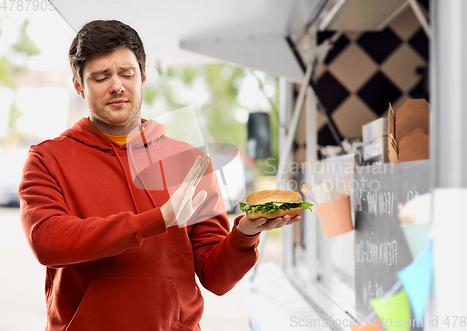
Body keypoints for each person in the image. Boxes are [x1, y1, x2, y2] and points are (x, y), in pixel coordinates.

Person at [18, 20, 301, 331]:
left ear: (143, 78)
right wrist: (160, 219)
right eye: (101, 77)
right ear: (78, 86)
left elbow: (216, 279)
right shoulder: (47, 158)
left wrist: (245, 234)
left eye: (127, 74)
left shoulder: (190, 161)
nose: (117, 86)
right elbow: (48, 243)